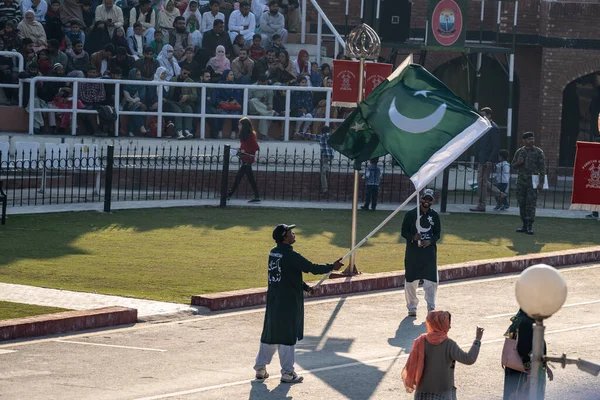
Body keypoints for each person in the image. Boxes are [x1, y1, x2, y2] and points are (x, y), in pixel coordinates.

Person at [254, 223, 344, 383]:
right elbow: (312, 268)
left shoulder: (273, 253)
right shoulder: (291, 256)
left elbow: (287, 275)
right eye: (290, 232)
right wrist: (333, 266)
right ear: (284, 237)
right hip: (288, 301)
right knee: (287, 336)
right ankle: (288, 373)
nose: (294, 234)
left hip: (274, 300)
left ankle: (260, 368)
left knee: (271, 334)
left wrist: (305, 287)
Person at [402, 311, 484, 399]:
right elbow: (469, 359)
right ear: (443, 325)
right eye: (448, 324)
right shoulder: (449, 344)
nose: (450, 327)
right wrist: (477, 340)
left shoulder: (420, 341)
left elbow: (410, 366)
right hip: (442, 395)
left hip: (422, 395)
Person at [401, 189, 441, 317]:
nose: (426, 202)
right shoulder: (411, 214)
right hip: (413, 252)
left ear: (433, 201)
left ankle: (431, 307)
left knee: (431, 280)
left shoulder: (434, 216)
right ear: (421, 199)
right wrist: (413, 237)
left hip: (429, 253)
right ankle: (412, 307)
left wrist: (430, 241)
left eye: (429, 199)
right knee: (411, 280)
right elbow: (403, 232)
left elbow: (437, 234)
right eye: (425, 199)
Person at [503, 309, 553, 400]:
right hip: (524, 374)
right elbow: (524, 350)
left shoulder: (523, 320)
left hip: (521, 371)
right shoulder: (527, 323)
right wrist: (530, 373)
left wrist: (545, 366)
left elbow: (536, 348)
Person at [470, 107, 504, 212]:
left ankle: (481, 204)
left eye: (483, 115)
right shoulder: (483, 127)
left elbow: (496, 146)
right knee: (481, 181)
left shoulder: (493, 128)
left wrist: (490, 160)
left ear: (489, 115)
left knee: (482, 182)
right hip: (481, 158)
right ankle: (500, 194)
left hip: (487, 159)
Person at [512, 131, 546, 235]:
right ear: (524, 140)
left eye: (532, 139)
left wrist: (541, 182)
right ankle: (524, 224)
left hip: (533, 181)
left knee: (530, 204)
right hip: (522, 181)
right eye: (529, 139)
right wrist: (518, 163)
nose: (531, 141)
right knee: (522, 203)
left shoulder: (538, 152)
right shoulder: (519, 152)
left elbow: (542, 168)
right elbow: (513, 165)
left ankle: (530, 225)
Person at [226, 117, 262, 202]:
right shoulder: (243, 136)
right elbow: (244, 147)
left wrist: (245, 151)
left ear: (244, 126)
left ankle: (229, 195)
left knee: (238, 178)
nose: (238, 126)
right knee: (250, 179)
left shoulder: (249, 136)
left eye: (240, 124)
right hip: (245, 159)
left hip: (248, 160)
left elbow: (256, 147)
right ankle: (257, 196)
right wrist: (239, 150)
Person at [294, 125, 334, 195]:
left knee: (323, 173)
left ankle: (325, 188)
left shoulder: (321, 137)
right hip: (330, 156)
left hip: (324, 156)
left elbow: (311, 135)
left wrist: (300, 133)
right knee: (326, 170)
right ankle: (325, 182)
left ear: (322, 131)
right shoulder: (332, 136)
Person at [164, 64, 196, 139]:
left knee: (189, 109)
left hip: (185, 103)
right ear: (181, 71)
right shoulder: (173, 79)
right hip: (172, 102)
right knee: (178, 111)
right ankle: (179, 131)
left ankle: (187, 130)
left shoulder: (191, 82)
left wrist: (188, 97)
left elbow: (194, 96)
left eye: (188, 74)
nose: (186, 75)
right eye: (185, 73)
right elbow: (167, 91)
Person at [214, 68, 241, 139]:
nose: (233, 76)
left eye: (232, 75)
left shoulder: (234, 85)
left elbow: (238, 97)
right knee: (221, 113)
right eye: (231, 75)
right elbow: (216, 97)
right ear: (226, 76)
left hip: (232, 106)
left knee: (236, 113)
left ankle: (233, 131)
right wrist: (222, 102)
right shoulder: (219, 84)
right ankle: (219, 131)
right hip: (222, 105)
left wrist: (234, 101)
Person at [248, 74, 276, 140]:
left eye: (264, 83)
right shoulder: (251, 87)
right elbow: (247, 100)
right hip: (253, 107)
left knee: (263, 114)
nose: (263, 85)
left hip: (264, 109)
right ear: (258, 81)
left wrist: (270, 106)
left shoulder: (269, 89)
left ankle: (264, 135)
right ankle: (272, 113)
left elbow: (270, 103)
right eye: (261, 83)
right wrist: (258, 101)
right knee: (253, 100)